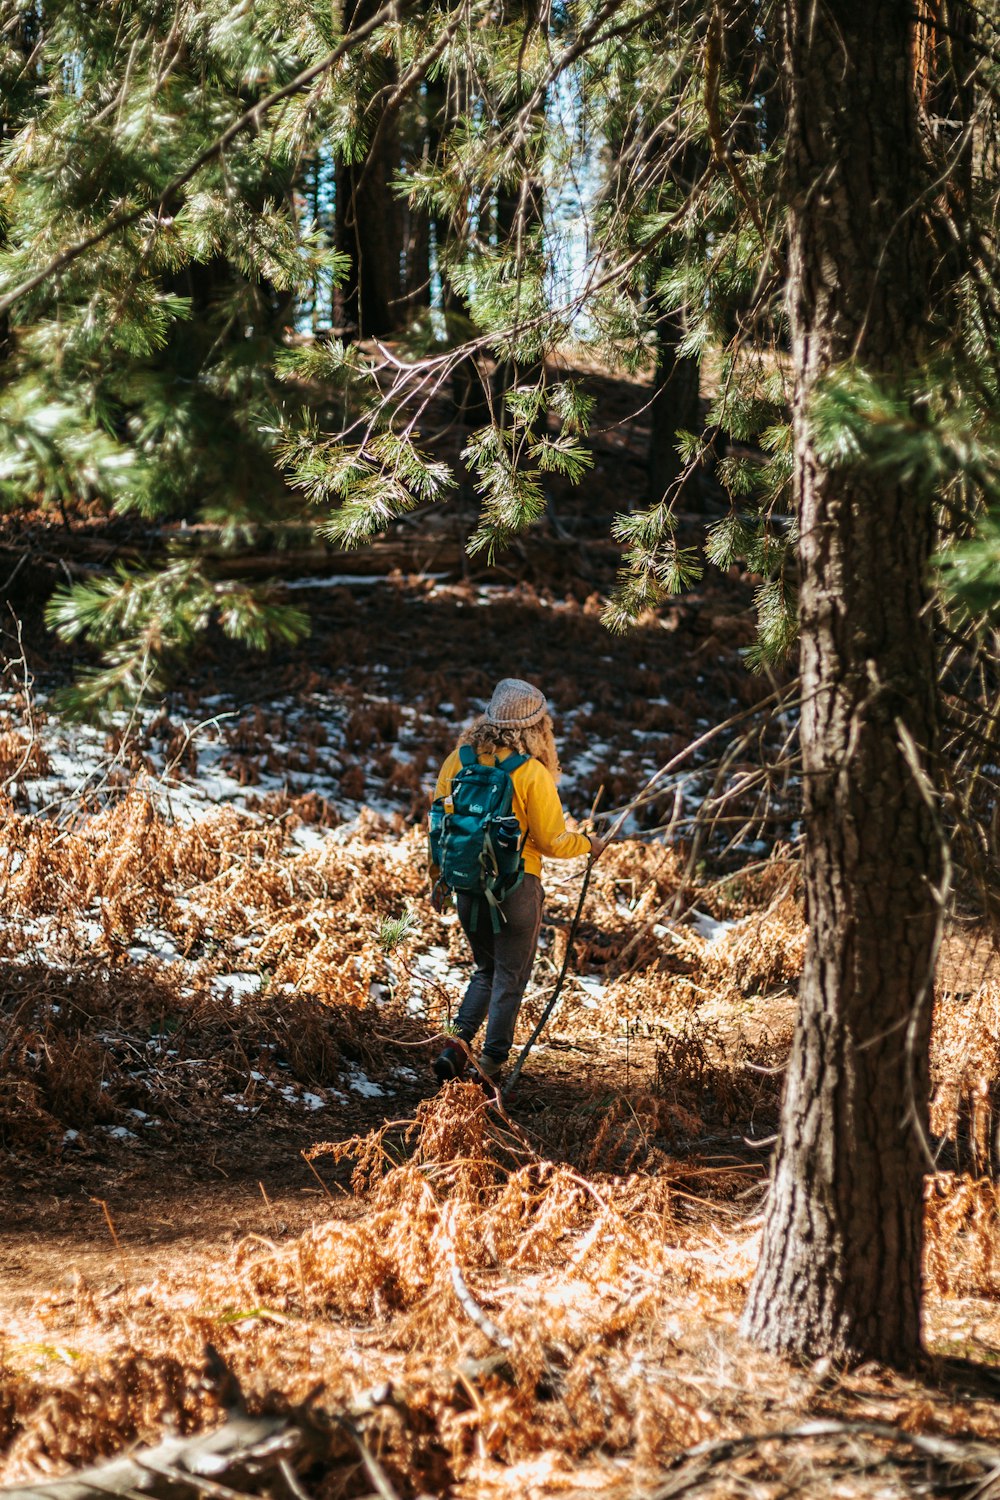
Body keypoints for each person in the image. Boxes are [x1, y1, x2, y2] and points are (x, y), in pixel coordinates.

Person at [430, 678, 605, 1086]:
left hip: (468, 885)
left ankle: (455, 1047)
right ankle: (490, 1064)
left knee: (484, 969)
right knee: (511, 975)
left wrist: (437, 880)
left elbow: (438, 823)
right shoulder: (531, 773)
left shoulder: (458, 760)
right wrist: (588, 844)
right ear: (536, 727)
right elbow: (551, 841)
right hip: (516, 889)